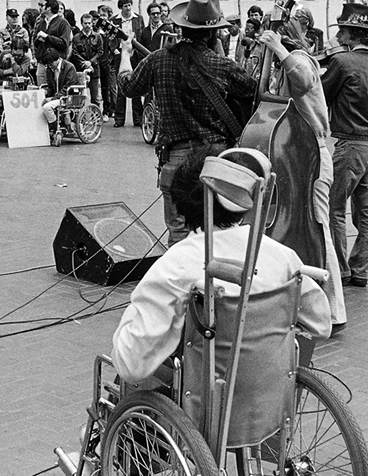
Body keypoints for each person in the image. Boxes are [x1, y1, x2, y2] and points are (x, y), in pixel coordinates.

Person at [111, 146, 331, 384]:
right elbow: (321, 325)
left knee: (126, 373)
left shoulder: (176, 265)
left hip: (204, 395)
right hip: (269, 390)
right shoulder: (282, 256)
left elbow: (131, 365)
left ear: (181, 205)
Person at [119, 0, 258, 246]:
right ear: (213, 33)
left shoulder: (158, 59)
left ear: (182, 27)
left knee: (179, 236)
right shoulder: (221, 65)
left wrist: (126, 55)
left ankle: (183, 283)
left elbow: (127, 87)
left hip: (176, 159)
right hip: (216, 159)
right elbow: (253, 90)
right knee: (219, 232)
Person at [257, 19, 346, 328]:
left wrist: (278, 48)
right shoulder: (287, 66)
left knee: (319, 229)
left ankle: (333, 310)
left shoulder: (303, 60)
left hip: (314, 155)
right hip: (301, 156)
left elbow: (304, 79)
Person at [322, 3, 368, 289]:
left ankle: (341, 269)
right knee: (366, 209)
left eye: (342, 30)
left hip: (352, 143)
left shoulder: (343, 62)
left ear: (352, 33)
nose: (338, 35)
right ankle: (361, 270)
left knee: (334, 207)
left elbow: (320, 93)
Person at [112, 0, 144, 127]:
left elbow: (141, 36)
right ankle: (119, 118)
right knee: (121, 86)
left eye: (130, 5)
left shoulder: (138, 19)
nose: (128, 8)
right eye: (125, 6)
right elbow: (111, 37)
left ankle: (138, 118)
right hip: (120, 53)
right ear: (121, 7)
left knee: (136, 85)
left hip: (134, 54)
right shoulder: (114, 20)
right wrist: (115, 50)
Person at [41, 49, 80, 137]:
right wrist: (45, 92)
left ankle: (55, 128)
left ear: (56, 59)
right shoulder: (50, 69)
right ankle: (53, 127)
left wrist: (52, 98)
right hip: (57, 97)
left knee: (47, 107)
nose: (49, 67)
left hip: (68, 97)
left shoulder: (69, 67)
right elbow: (51, 87)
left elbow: (67, 88)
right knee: (40, 104)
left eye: (50, 64)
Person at [70, 13, 104, 108]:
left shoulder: (97, 37)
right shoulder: (76, 38)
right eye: (85, 23)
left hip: (94, 69)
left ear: (92, 23)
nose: (88, 25)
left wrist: (91, 62)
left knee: (95, 97)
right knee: (80, 96)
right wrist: (84, 63)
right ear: (81, 23)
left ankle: (96, 117)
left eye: (89, 23)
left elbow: (100, 52)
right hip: (81, 70)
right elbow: (75, 53)